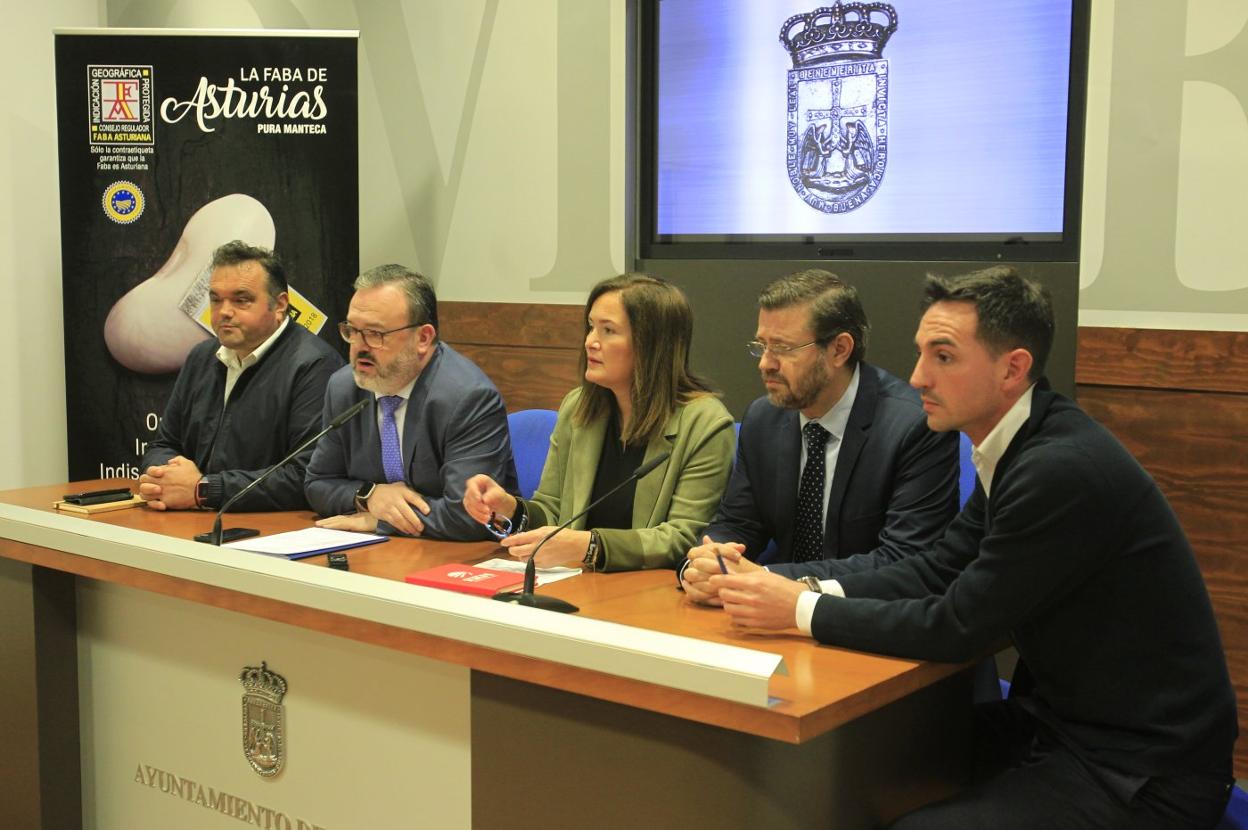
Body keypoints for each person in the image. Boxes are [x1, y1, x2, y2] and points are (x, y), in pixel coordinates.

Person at [705, 267, 1237, 829]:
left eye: (944, 357)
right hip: (1061, 726)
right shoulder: (1017, 447)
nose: (916, 378)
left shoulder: (1057, 470)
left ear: (1013, 369)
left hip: (1139, 770)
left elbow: (957, 627)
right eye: (920, 354)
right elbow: (936, 568)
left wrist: (798, 610)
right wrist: (801, 587)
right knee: (839, 766)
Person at [681, 269, 959, 602]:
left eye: (782, 348)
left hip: (868, 619)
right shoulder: (763, 418)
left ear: (839, 349)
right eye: (762, 346)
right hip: (769, 619)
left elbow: (905, 560)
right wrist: (707, 562)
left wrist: (767, 579)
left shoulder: (914, 426)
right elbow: (738, 523)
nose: (765, 364)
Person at [463, 273, 735, 571]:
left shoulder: (705, 424)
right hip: (574, 581)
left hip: (647, 593)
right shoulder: (578, 407)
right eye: (591, 327)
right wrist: (509, 508)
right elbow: (553, 511)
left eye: (608, 330)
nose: (590, 342)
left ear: (652, 344)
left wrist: (591, 547)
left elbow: (684, 539)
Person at [304, 264, 517, 540]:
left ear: (423, 338)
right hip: (380, 552)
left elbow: (469, 515)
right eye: (352, 331)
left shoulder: (467, 397)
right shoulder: (344, 386)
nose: (359, 346)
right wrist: (370, 495)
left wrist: (379, 521)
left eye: (375, 334)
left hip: (456, 557)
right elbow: (317, 483)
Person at [138, 241, 343, 512]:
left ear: (280, 305)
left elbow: (305, 474)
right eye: (215, 299)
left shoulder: (314, 365)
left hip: (270, 533)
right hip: (192, 518)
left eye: (241, 299)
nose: (224, 311)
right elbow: (164, 443)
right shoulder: (201, 357)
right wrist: (168, 476)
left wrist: (204, 489)